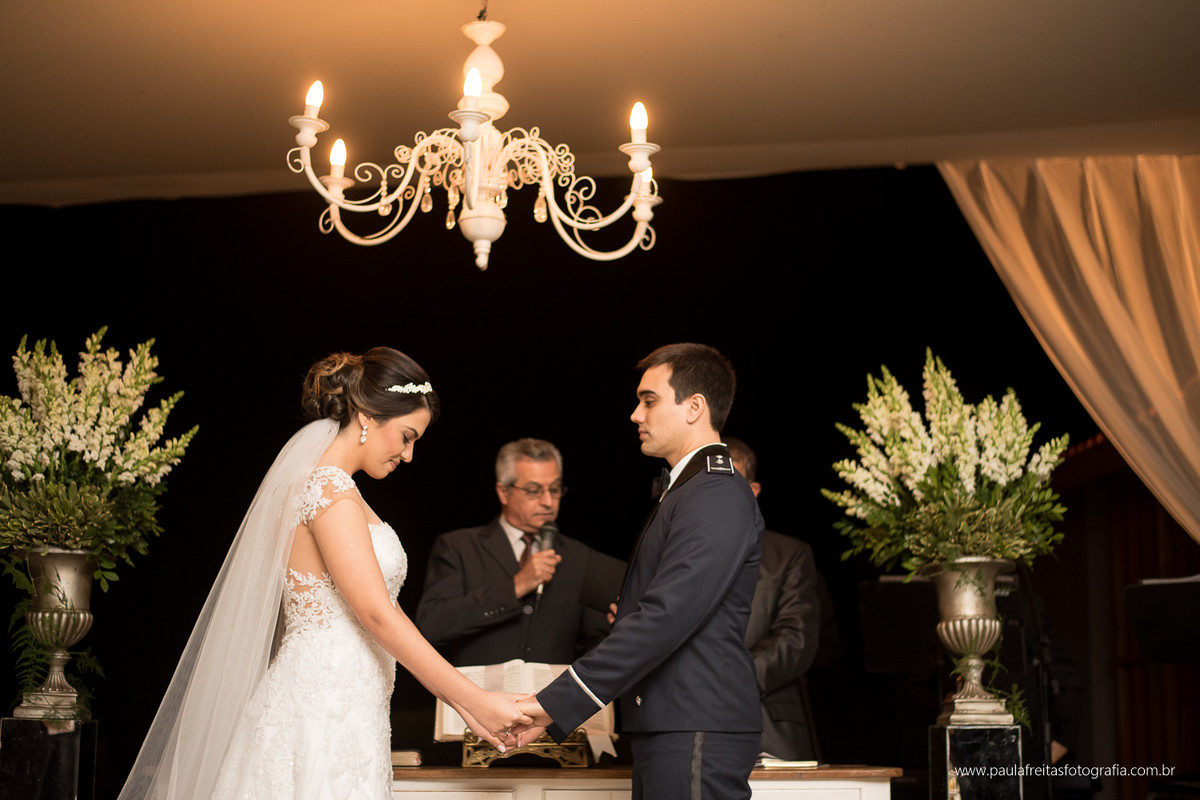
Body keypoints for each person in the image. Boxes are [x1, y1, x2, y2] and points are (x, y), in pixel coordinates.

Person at [118, 348, 530, 800]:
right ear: (368, 416)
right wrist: (472, 699)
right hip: (323, 712)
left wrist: (463, 704)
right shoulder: (328, 489)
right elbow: (376, 615)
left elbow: (383, 610)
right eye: (407, 436)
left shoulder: (336, 489)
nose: (409, 455)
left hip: (349, 707)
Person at [513, 343, 764, 800]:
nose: (635, 414)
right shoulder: (691, 490)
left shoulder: (715, 493)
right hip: (673, 722)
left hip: (694, 722)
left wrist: (549, 705)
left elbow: (666, 617)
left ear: (694, 408)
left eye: (649, 400)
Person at [416, 438, 611, 665]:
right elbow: (432, 625)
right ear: (504, 492)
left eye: (555, 489)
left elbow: (597, 644)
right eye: (533, 490)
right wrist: (516, 586)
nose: (548, 501)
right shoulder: (458, 546)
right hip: (477, 696)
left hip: (553, 696)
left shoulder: (581, 557)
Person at [724, 436, 822, 762]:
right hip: (686, 730)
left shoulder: (789, 555)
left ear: (753, 492)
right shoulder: (675, 555)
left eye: (730, 487)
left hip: (769, 729)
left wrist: (722, 681)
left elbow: (796, 640)